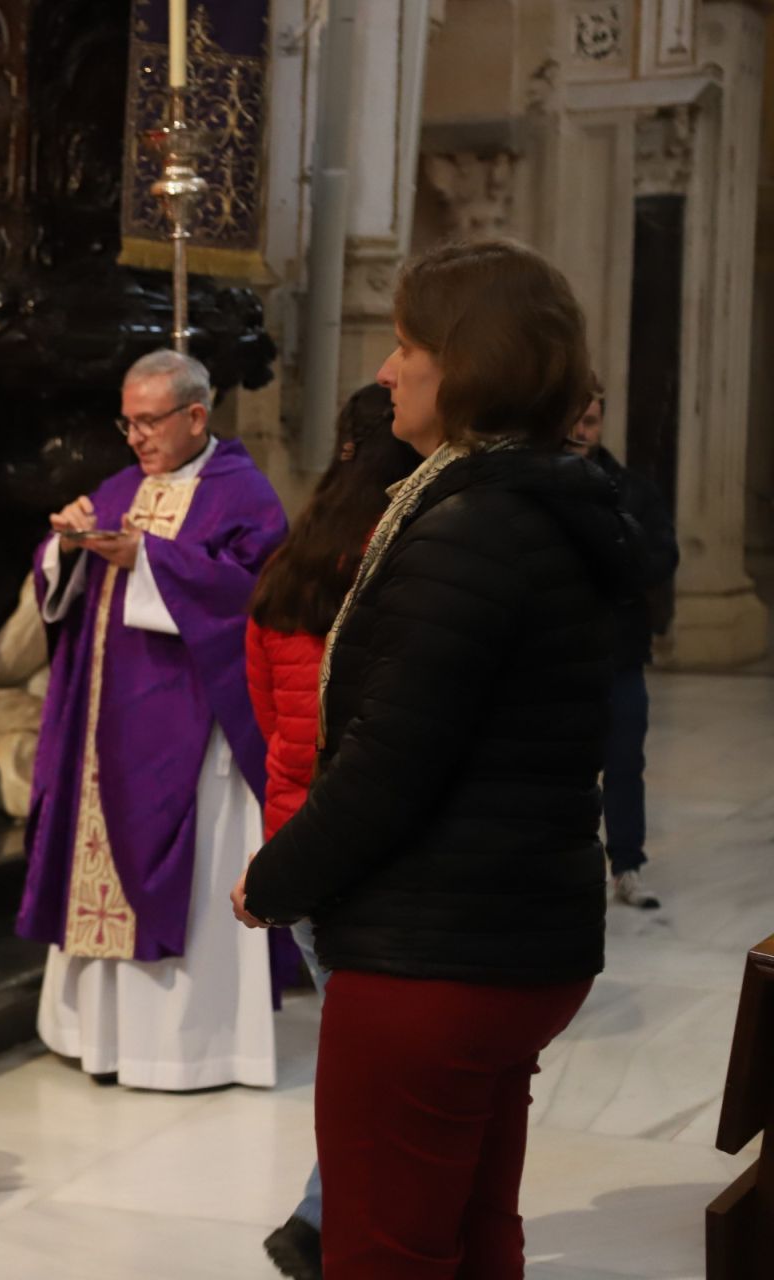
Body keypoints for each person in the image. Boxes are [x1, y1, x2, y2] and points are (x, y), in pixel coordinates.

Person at [238, 238, 643, 1278]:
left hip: (436, 949)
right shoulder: (553, 505)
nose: (385, 370)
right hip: (521, 930)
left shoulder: (468, 529)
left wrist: (275, 878)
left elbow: (389, 763)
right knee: (473, 1231)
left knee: (383, 1247)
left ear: (468, 363)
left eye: (407, 344)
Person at [19, 348, 287, 1091]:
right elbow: (62, 573)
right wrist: (66, 544)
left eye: (149, 422)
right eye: (127, 422)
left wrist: (152, 560)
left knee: (180, 875)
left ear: (196, 416)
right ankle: (97, 1038)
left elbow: (254, 594)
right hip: (102, 725)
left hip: (189, 730)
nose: (134, 438)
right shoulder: (120, 486)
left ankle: (186, 1050)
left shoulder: (244, 494)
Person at [243, 383, 421, 1280]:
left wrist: (290, 786)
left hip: (295, 823)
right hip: (365, 834)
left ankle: (318, 1218)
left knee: (361, 1055)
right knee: (380, 1071)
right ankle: (320, 1226)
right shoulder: (402, 552)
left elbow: (266, 703)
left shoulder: (296, 550)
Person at [567, 380, 678, 910]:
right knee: (559, 765)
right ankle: (561, 865)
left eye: (590, 420)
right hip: (560, 655)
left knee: (624, 761)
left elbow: (661, 555)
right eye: (573, 419)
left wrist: (616, 564)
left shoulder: (631, 489)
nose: (581, 431)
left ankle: (627, 865)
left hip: (620, 651)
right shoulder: (542, 485)